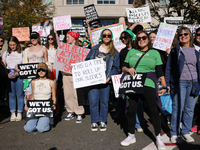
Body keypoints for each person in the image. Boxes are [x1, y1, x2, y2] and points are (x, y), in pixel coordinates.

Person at [120, 31, 167, 150]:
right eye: (139, 38)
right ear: (136, 40)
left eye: (144, 37)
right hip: (133, 82)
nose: (141, 39)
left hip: (149, 82)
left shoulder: (154, 52)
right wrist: (128, 69)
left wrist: (164, 86)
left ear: (148, 39)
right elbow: (123, 67)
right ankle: (131, 135)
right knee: (131, 110)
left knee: (153, 110)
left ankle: (158, 137)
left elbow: (159, 71)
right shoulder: (131, 52)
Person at [165, 26, 200, 143]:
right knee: (177, 108)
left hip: (194, 82)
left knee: (190, 109)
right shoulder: (175, 50)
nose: (183, 36)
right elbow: (169, 68)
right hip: (179, 82)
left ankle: (185, 131)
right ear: (178, 37)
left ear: (190, 36)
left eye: (185, 34)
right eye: (181, 35)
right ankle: (174, 132)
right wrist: (168, 84)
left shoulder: (197, 50)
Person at [85, 29, 119, 132]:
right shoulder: (94, 49)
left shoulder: (114, 52)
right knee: (93, 101)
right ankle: (94, 121)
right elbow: (86, 61)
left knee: (104, 102)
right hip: (94, 79)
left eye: (108, 35)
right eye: (104, 35)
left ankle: (103, 120)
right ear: (102, 37)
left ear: (111, 37)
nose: (106, 37)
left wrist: (110, 77)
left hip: (106, 79)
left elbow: (116, 68)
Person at [24, 63, 56, 133]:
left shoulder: (51, 82)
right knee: (29, 129)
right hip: (35, 106)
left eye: (43, 70)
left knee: (41, 129)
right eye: (39, 70)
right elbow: (33, 96)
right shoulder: (33, 82)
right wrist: (27, 105)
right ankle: (37, 121)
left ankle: (45, 122)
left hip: (46, 106)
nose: (41, 72)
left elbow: (54, 97)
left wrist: (53, 104)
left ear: (46, 71)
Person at [63, 31, 84, 123]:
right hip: (65, 74)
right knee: (67, 94)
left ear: (74, 38)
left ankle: (79, 112)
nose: (67, 39)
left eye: (68, 37)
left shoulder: (79, 49)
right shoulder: (63, 49)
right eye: (66, 37)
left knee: (77, 94)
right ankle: (70, 111)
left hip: (75, 75)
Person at [2, 36, 24, 121]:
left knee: (20, 94)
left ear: (17, 44)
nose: (12, 47)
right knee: (11, 95)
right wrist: (6, 74)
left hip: (19, 74)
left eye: (14, 45)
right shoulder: (6, 53)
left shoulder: (22, 52)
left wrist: (18, 73)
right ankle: (12, 113)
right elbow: (3, 66)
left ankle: (19, 113)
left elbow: (24, 64)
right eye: (10, 45)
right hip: (9, 74)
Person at [22, 32, 48, 101]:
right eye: (31, 38)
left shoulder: (43, 49)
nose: (33, 39)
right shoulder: (26, 50)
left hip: (40, 75)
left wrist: (47, 70)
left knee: (39, 94)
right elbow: (24, 63)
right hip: (29, 76)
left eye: (35, 38)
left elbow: (46, 62)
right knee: (28, 96)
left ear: (38, 38)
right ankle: (29, 110)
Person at [191, 27, 200, 133]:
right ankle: (194, 123)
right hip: (194, 79)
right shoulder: (192, 49)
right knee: (193, 102)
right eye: (198, 34)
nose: (199, 37)